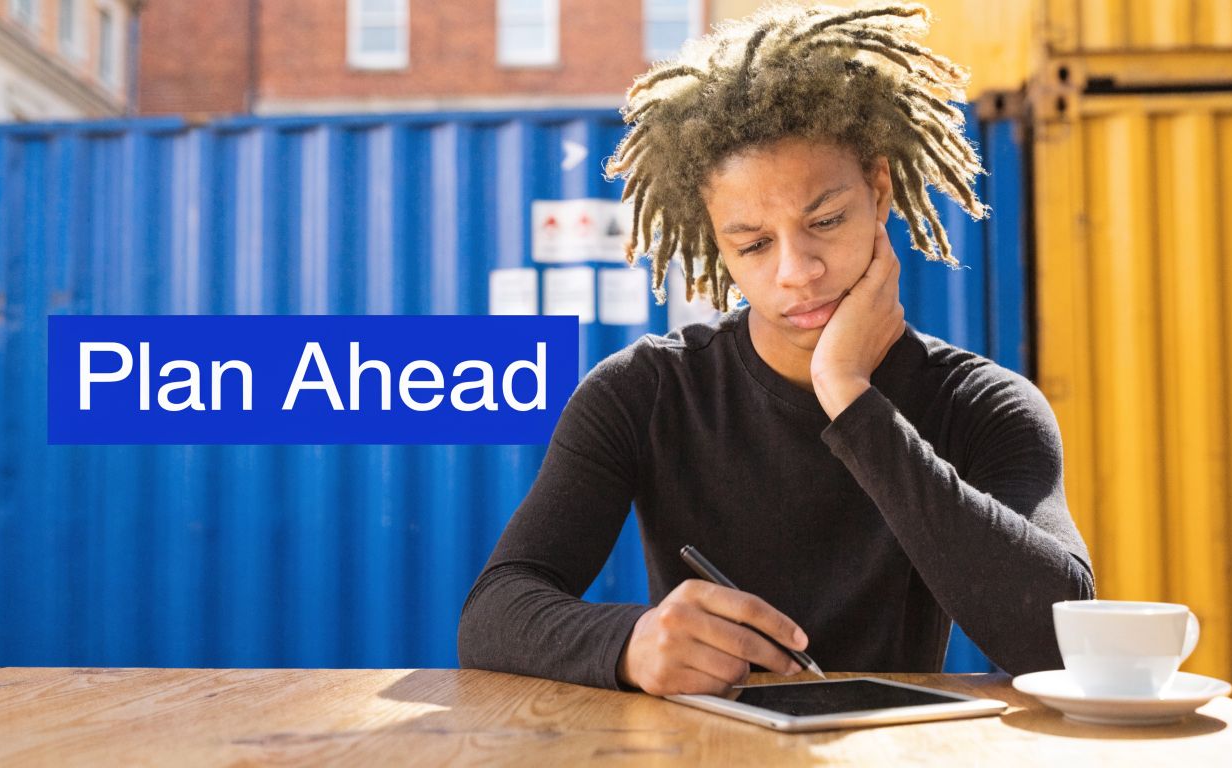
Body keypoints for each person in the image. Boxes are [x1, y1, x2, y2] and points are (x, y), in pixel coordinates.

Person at [457, 1, 1094, 696]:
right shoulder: (642, 390)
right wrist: (630, 644)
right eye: (753, 243)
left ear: (879, 188)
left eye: (824, 220)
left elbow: (1061, 641)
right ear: (715, 238)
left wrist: (849, 394)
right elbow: (494, 610)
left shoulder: (983, 405)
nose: (796, 271)